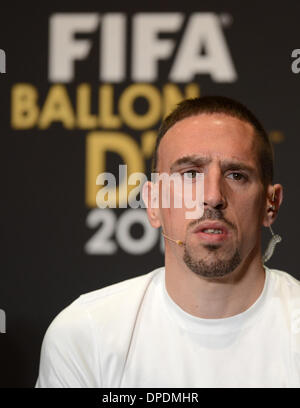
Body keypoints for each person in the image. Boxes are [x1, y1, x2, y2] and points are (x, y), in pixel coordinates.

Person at [36, 96, 300, 388]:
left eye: (236, 175)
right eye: (189, 174)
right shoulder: (87, 334)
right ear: (153, 203)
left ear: (270, 204)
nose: (212, 196)